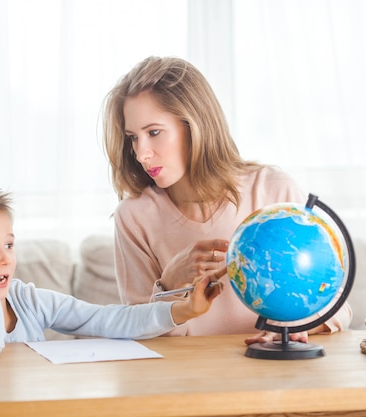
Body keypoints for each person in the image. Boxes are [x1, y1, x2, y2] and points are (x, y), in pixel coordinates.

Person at [102, 56, 352, 343]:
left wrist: (293, 327)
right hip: (185, 380)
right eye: (132, 137)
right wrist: (169, 284)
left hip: (272, 374)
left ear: (194, 126)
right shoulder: (134, 216)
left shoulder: (272, 190)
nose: (141, 153)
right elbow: (137, 333)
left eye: (154, 132)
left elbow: (337, 308)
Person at [0, 179, 222, 356]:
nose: (5, 259)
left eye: (9, 245)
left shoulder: (28, 301)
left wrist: (182, 312)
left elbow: (107, 319)